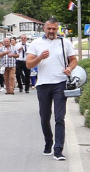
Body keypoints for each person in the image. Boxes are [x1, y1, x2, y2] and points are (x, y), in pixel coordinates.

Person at [26, 18, 77, 161]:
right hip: (43, 84)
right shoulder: (36, 43)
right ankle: (48, 141)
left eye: (54, 29)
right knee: (44, 117)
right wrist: (40, 57)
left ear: (57, 29)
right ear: (44, 29)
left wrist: (69, 68)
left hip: (60, 83)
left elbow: (73, 60)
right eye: (49, 28)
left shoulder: (64, 42)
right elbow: (29, 64)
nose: (51, 31)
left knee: (60, 117)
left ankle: (58, 149)